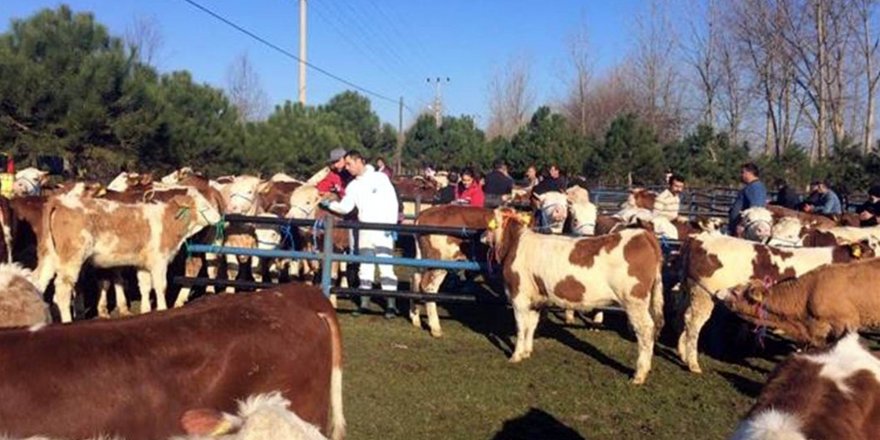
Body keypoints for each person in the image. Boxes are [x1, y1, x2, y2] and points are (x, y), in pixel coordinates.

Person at [320, 150, 400, 319]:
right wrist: (330, 205)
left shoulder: (380, 178)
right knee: (365, 266)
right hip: (364, 229)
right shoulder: (353, 186)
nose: (346, 168)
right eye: (346, 164)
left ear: (360, 161)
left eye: (349, 164)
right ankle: (364, 303)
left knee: (386, 266)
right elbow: (346, 207)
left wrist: (392, 225)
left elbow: (392, 201)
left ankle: (390, 305)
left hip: (383, 229)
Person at [728, 162, 768, 235]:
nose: (741, 175)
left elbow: (756, 209)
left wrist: (742, 225)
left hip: (743, 231)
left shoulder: (755, 187)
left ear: (749, 173)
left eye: (743, 172)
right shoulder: (752, 187)